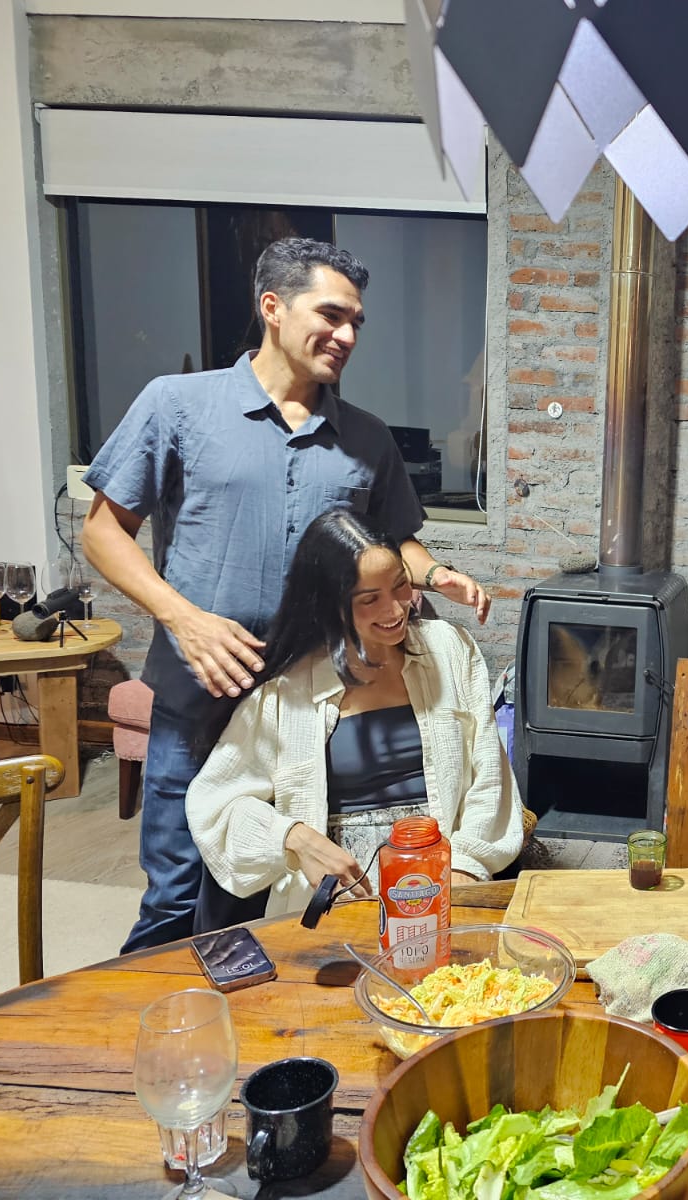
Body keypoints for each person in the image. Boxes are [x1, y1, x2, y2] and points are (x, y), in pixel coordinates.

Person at [82, 237, 490, 951]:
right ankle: (164, 1018)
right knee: (178, 895)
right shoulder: (177, 404)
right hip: (201, 693)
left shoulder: (367, 437)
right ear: (272, 307)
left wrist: (432, 574)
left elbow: (392, 539)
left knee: (294, 888)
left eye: (357, 321)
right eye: (331, 315)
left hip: (311, 702)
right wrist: (184, 618)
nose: (348, 335)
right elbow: (102, 531)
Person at [186, 510, 524, 923]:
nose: (395, 609)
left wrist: (466, 865)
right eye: (369, 599)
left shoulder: (450, 649)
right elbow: (215, 804)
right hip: (341, 895)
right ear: (330, 605)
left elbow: (489, 775)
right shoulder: (287, 691)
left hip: (446, 873)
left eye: (399, 585)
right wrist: (295, 838)